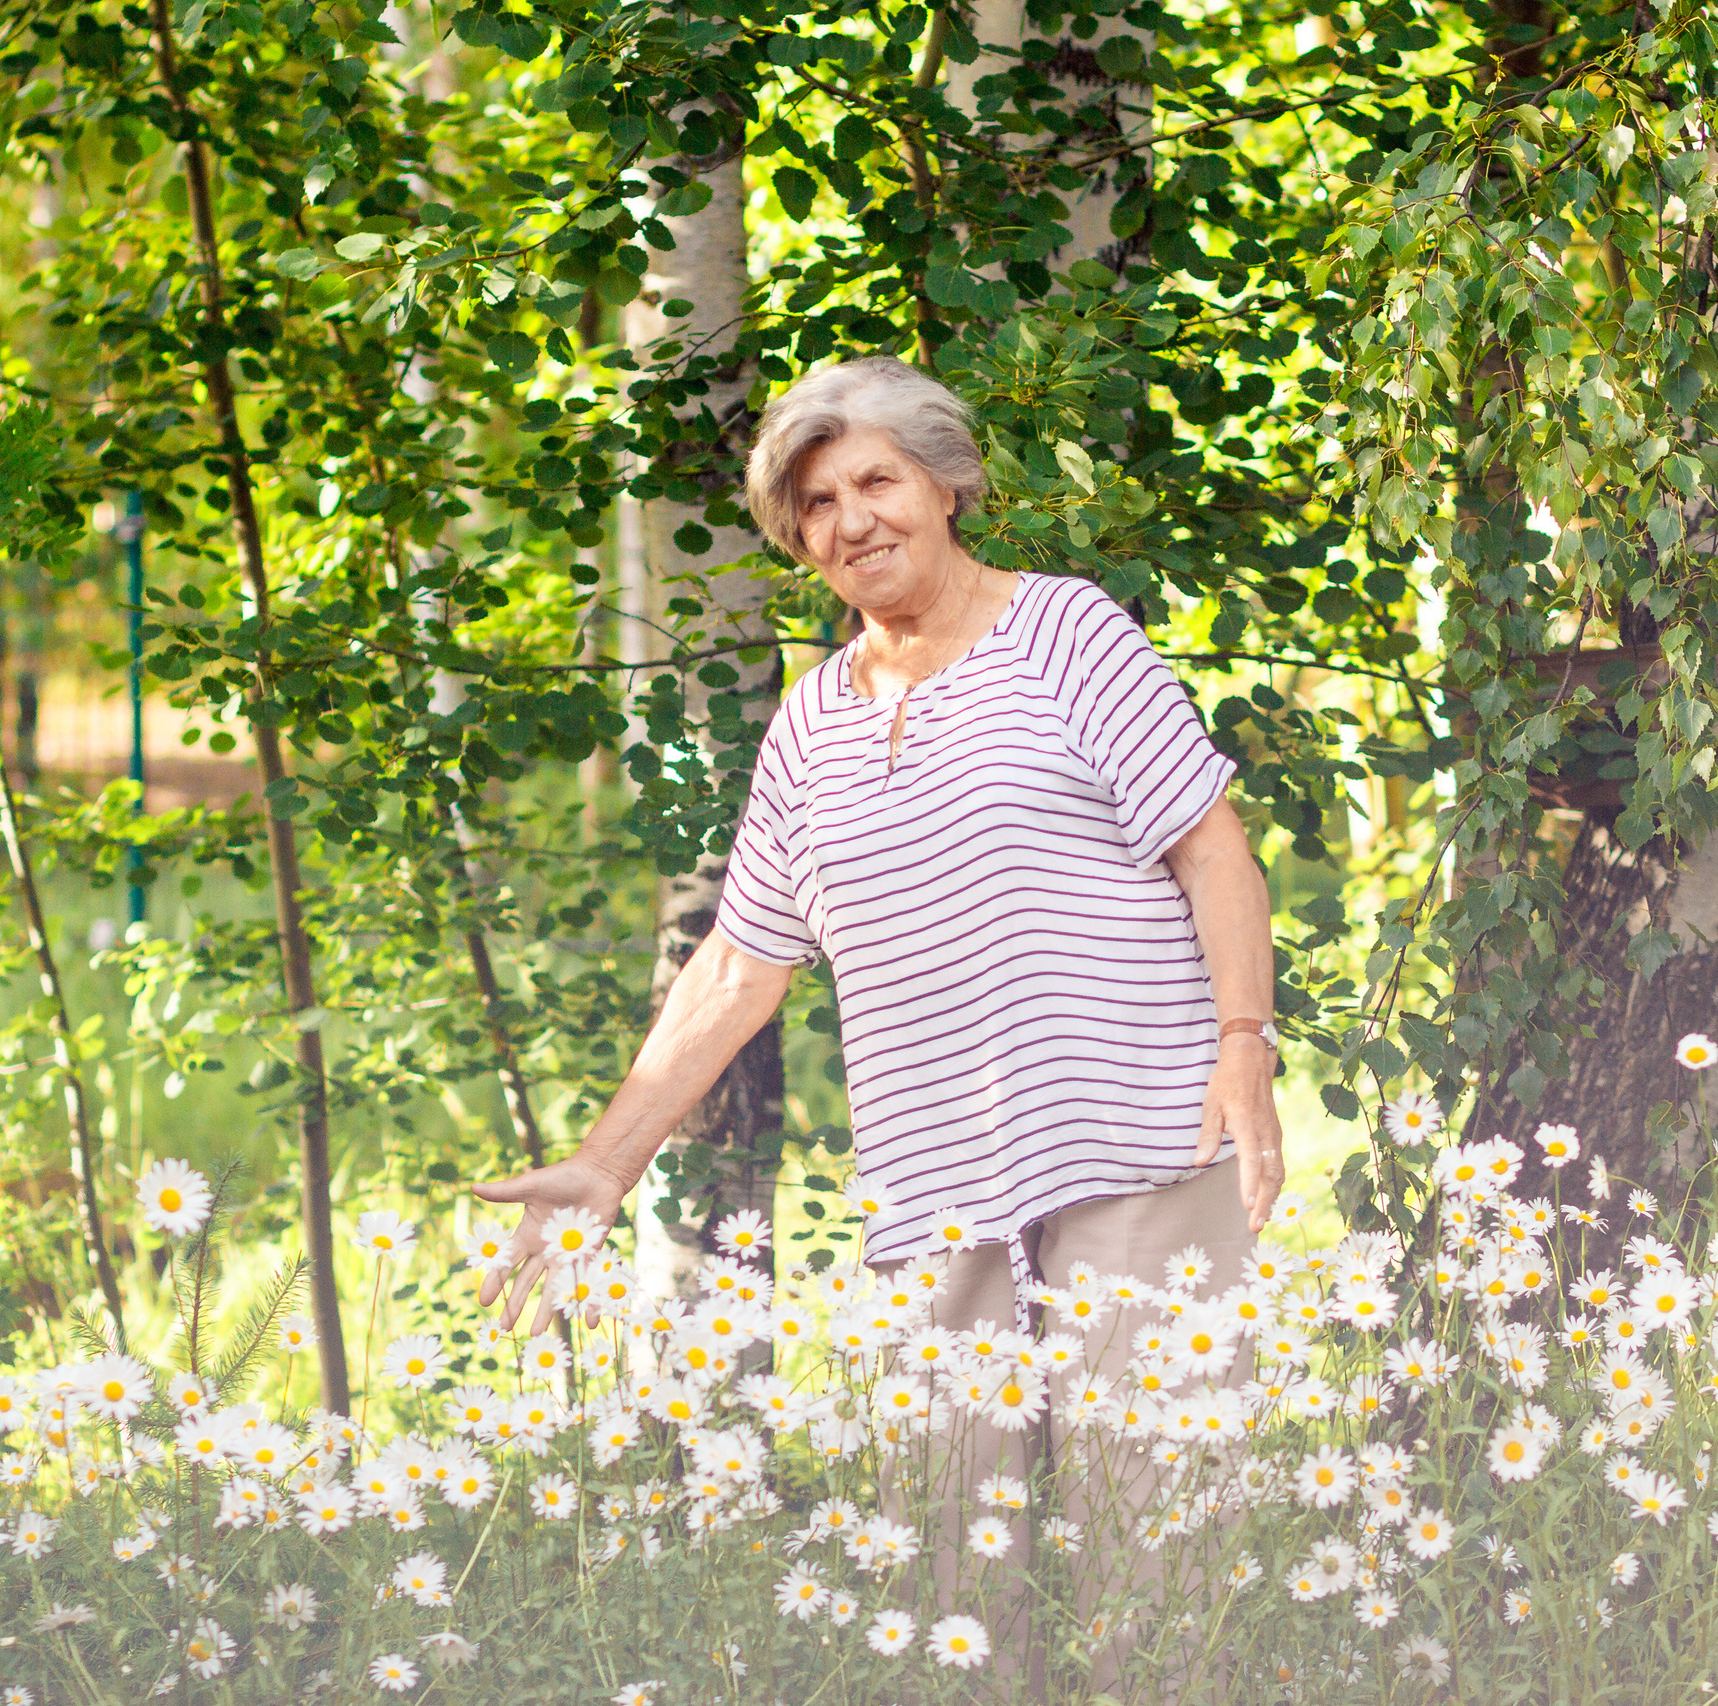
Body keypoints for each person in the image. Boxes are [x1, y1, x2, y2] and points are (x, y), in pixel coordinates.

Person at [472, 354, 1285, 1687]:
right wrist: (605, 1162)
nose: (850, 519)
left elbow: (1213, 849)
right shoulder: (812, 725)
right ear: (797, 539)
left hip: (1131, 1147)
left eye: (875, 481)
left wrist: (1243, 1049)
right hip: (938, 1200)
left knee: (1162, 1561)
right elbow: (738, 965)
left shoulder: (1068, 634)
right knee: (960, 1588)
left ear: (946, 485)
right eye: (813, 502)